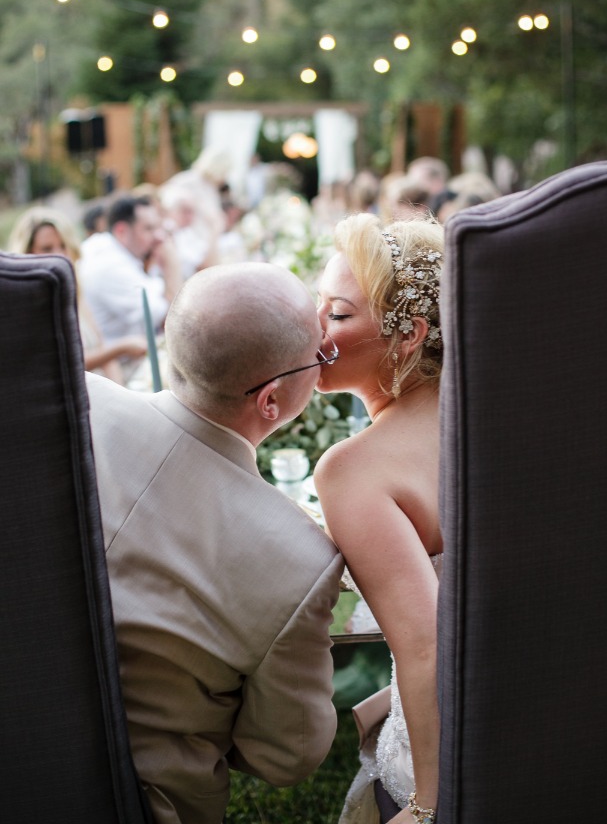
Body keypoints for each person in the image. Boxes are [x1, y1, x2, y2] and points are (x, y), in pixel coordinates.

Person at [86, 262, 344, 824]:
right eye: (321, 357)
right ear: (270, 402)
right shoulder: (299, 561)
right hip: (144, 802)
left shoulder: (80, 406)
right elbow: (286, 755)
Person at [314, 213, 445, 824]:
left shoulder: (352, 472)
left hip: (446, 750)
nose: (311, 328)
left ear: (410, 333)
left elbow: (426, 647)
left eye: (337, 315)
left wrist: (428, 806)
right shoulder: (494, 414)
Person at [6, 205, 147, 383]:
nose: (59, 255)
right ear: (26, 252)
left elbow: (103, 350)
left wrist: (121, 393)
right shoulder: (27, 308)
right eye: (47, 248)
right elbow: (63, 363)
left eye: (63, 246)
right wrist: (122, 347)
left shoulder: (75, 291)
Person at [80, 194, 182, 379]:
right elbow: (173, 320)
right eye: (149, 229)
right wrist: (172, 266)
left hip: (131, 363)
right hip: (120, 372)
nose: (159, 237)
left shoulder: (117, 254)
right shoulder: (109, 265)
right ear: (121, 231)